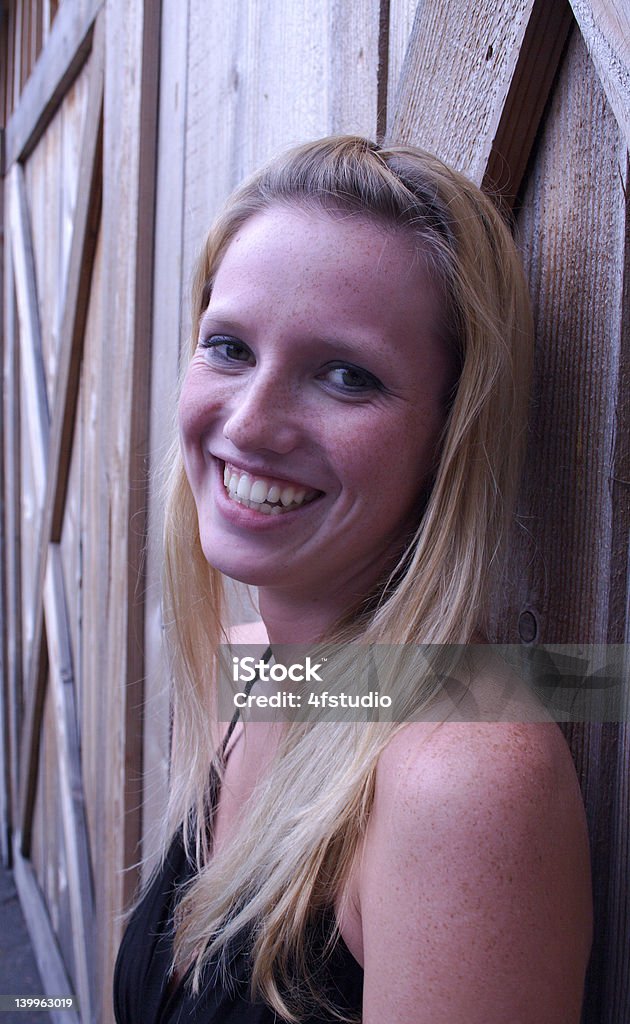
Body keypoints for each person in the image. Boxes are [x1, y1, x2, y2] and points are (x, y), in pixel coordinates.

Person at [114, 136, 592, 1023]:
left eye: (346, 375)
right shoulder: (246, 668)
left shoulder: (463, 779)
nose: (250, 424)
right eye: (227, 348)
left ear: (451, 438)